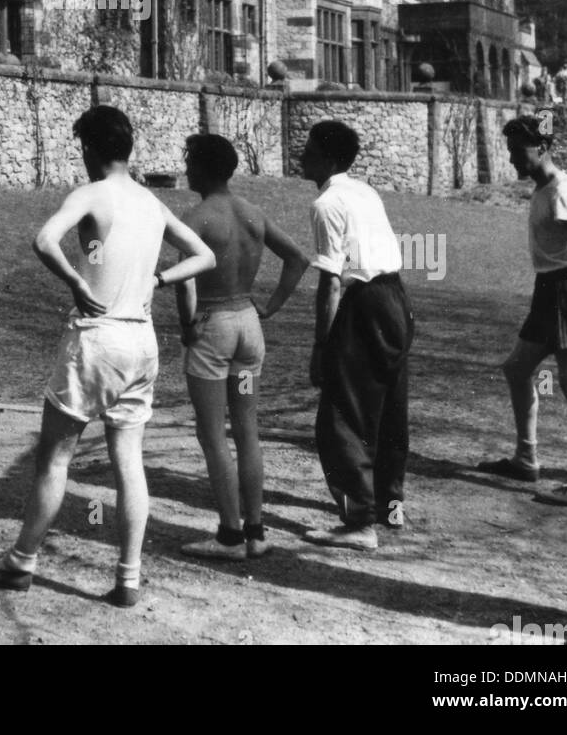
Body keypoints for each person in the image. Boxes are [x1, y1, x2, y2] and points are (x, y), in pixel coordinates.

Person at [0, 105, 215, 607]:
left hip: (97, 339)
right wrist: (159, 280)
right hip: (141, 342)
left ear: (93, 148)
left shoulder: (93, 193)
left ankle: (20, 563)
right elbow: (205, 255)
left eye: (83, 146)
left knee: (54, 458)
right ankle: (128, 578)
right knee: (128, 462)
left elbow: (43, 240)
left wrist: (76, 282)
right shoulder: (151, 203)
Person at [174, 133, 308, 560]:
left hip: (213, 328)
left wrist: (186, 326)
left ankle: (230, 536)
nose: (187, 169)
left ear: (203, 168)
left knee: (213, 434)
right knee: (247, 430)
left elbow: (185, 279)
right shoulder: (253, 213)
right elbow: (297, 258)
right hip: (249, 330)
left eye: (190, 161)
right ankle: (257, 530)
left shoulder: (196, 218)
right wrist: (272, 305)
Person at [477, 116, 567, 505]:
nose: (512, 159)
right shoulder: (542, 189)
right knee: (517, 369)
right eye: (509, 151)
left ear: (541, 147)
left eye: (518, 151)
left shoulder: (562, 193)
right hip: (548, 291)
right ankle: (526, 459)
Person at [300, 120, 414, 551]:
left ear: (328, 159)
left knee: (342, 417)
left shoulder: (327, 203)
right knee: (389, 408)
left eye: (309, 150)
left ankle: (360, 523)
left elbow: (330, 282)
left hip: (366, 302)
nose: (302, 156)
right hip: (397, 299)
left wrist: (320, 347)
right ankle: (391, 508)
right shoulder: (365, 191)